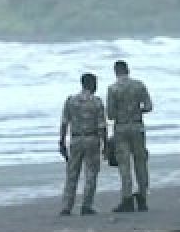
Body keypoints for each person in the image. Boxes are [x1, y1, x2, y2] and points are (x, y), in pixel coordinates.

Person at [106, 60, 153, 212]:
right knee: (141, 163)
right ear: (128, 70)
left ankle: (127, 199)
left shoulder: (113, 89)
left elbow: (111, 114)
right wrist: (137, 110)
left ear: (115, 72)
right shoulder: (139, 85)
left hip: (121, 128)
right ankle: (142, 197)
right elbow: (149, 106)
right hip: (137, 126)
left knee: (124, 165)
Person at [59, 73, 107, 216]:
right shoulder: (96, 102)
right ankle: (86, 205)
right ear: (92, 84)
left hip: (75, 139)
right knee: (91, 174)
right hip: (92, 139)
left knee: (72, 173)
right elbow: (102, 125)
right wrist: (105, 144)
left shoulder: (71, 101)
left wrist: (61, 141)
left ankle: (67, 206)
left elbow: (64, 122)